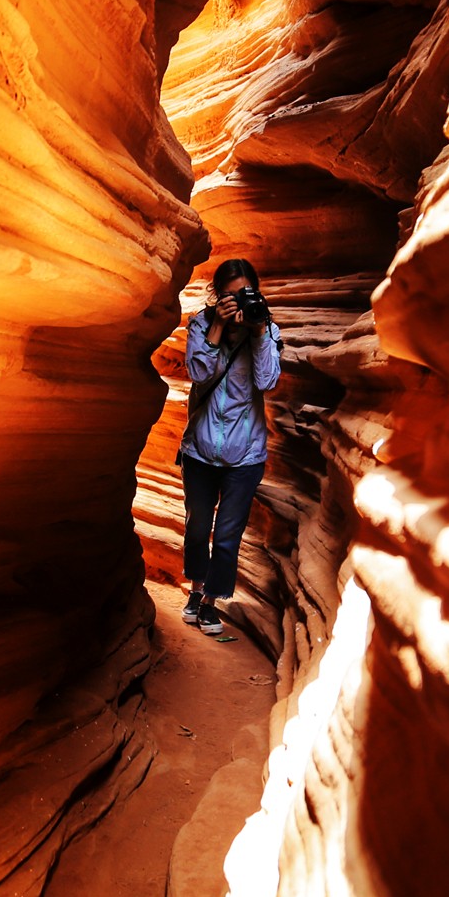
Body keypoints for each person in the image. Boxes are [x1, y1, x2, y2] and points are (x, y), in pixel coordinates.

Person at [177, 258, 282, 639]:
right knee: (198, 527)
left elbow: (267, 380)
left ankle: (209, 602)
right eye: (230, 295)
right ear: (217, 295)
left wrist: (258, 333)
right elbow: (199, 374)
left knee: (226, 535)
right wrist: (218, 326)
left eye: (245, 294)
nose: (238, 302)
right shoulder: (203, 323)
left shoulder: (266, 327)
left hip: (246, 454)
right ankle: (195, 588)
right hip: (201, 451)